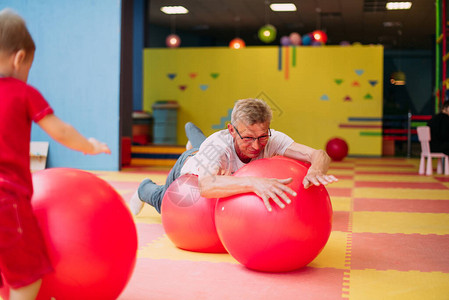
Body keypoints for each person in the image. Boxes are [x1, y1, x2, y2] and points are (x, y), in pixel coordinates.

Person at [0, 9, 111, 300]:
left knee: (3, 276)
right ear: (19, 58)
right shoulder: (24, 93)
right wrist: (90, 145)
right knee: (28, 278)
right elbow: (60, 131)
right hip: (7, 201)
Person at [130, 98, 338, 215]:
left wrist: (317, 169)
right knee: (162, 204)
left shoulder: (271, 138)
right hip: (191, 166)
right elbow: (206, 186)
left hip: (218, 161)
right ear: (231, 130)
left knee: (210, 150)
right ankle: (143, 188)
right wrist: (254, 183)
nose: (256, 146)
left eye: (262, 136)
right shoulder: (219, 146)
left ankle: (196, 141)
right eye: (248, 137)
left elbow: (318, 154)